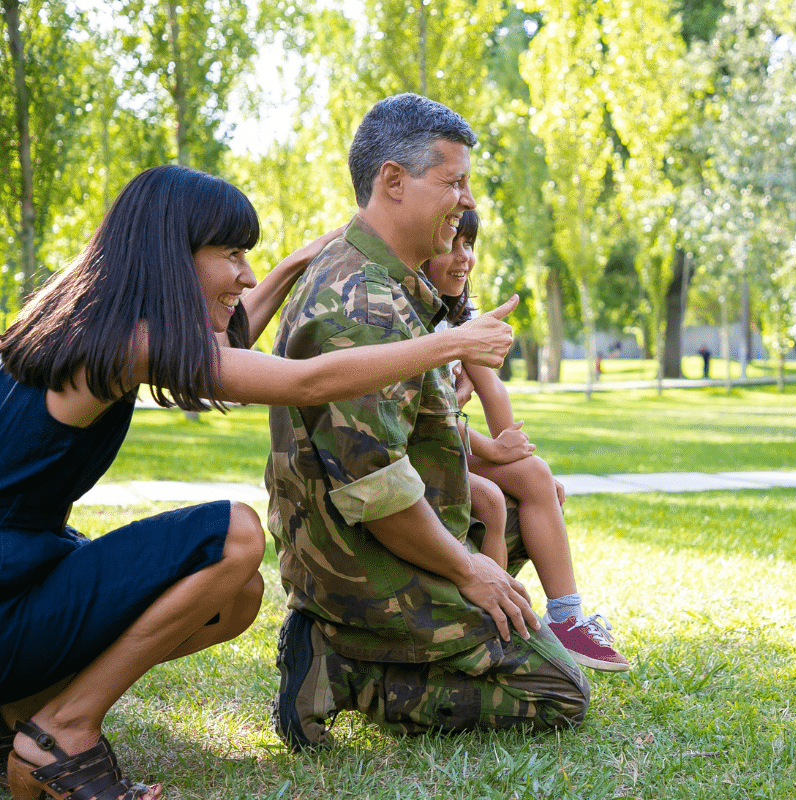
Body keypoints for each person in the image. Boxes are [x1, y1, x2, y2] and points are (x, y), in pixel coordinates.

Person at [0, 164, 516, 800]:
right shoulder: (133, 343)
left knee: (238, 597)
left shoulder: (74, 318)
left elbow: (233, 331)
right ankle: (59, 735)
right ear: (172, 251)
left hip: (20, 572)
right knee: (235, 537)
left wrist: (303, 258)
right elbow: (304, 381)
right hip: (9, 597)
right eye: (232, 253)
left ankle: (14, 712)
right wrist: (451, 343)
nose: (245, 274)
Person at [265, 93, 590, 753]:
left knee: (529, 517)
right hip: (364, 569)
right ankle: (344, 664)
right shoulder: (363, 305)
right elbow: (377, 494)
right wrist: (472, 571)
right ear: (392, 181)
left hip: (393, 543)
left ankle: (399, 644)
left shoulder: (389, 285)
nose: (466, 202)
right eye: (453, 182)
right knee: (558, 693)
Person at [422, 208, 629, 672]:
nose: (464, 258)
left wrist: (510, 444)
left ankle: (562, 618)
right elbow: (425, 414)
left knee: (538, 481)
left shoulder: (459, 315)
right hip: (423, 448)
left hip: (449, 443)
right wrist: (495, 452)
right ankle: (509, 625)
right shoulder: (410, 315)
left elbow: (490, 387)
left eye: (469, 245)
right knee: (498, 499)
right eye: (453, 243)